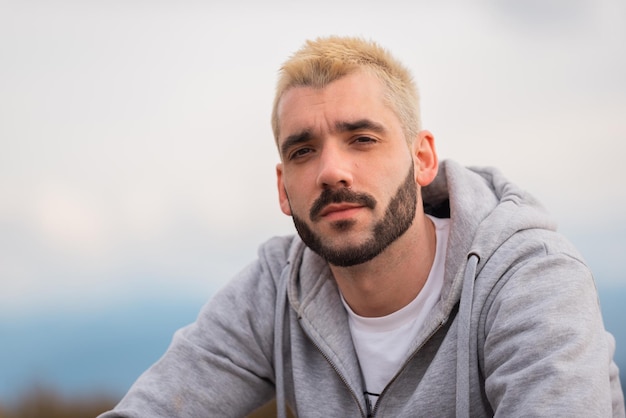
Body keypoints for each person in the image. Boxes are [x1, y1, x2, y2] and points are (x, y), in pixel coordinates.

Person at [98, 36, 624, 417]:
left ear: (423, 161)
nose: (331, 171)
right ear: (283, 189)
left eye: (363, 139)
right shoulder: (275, 288)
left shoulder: (529, 280)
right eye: (303, 151)